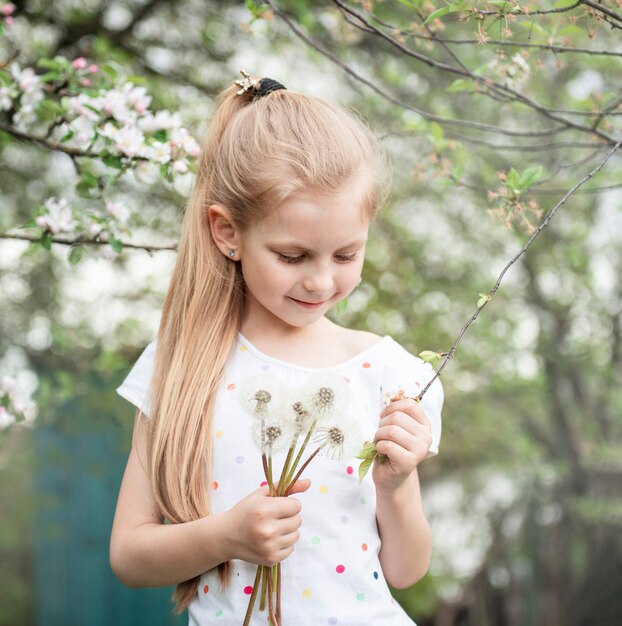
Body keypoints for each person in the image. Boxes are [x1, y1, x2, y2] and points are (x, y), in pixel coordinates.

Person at [110, 71, 443, 626]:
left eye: (345, 256)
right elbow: (129, 555)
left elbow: (407, 571)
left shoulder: (388, 373)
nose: (320, 282)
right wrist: (224, 536)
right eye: (293, 256)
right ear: (227, 233)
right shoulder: (181, 367)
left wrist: (397, 483)